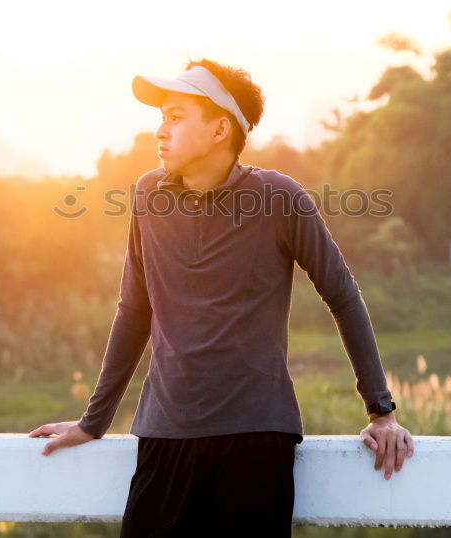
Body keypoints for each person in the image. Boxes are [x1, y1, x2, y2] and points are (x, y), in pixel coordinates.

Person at [29, 58, 415, 536]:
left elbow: (343, 296)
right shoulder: (150, 196)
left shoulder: (279, 197)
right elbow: (134, 310)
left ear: (219, 129)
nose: (160, 130)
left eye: (176, 116)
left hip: (255, 442)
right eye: (161, 117)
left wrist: (381, 412)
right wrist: (93, 423)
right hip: (163, 435)